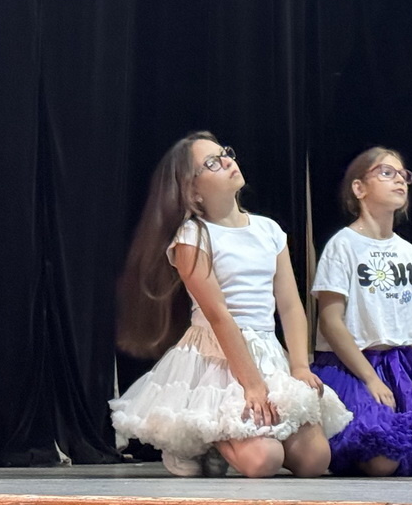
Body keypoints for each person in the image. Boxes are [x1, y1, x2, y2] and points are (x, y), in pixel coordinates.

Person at [110, 131, 350, 477]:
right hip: (220, 355)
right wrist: (251, 384)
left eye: (224, 153)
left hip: (266, 350)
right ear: (193, 190)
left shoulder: (269, 231)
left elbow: (290, 305)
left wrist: (299, 366)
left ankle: (240, 438)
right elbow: (219, 315)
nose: (226, 161)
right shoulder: (193, 236)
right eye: (211, 162)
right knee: (264, 461)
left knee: (314, 460)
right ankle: (211, 440)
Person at [310, 147, 412, 476]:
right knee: (381, 456)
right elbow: (330, 321)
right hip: (353, 366)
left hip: (399, 367)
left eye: (403, 175)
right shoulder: (343, 245)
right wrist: (369, 379)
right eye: (386, 172)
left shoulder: (410, 253)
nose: (399, 180)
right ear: (359, 188)